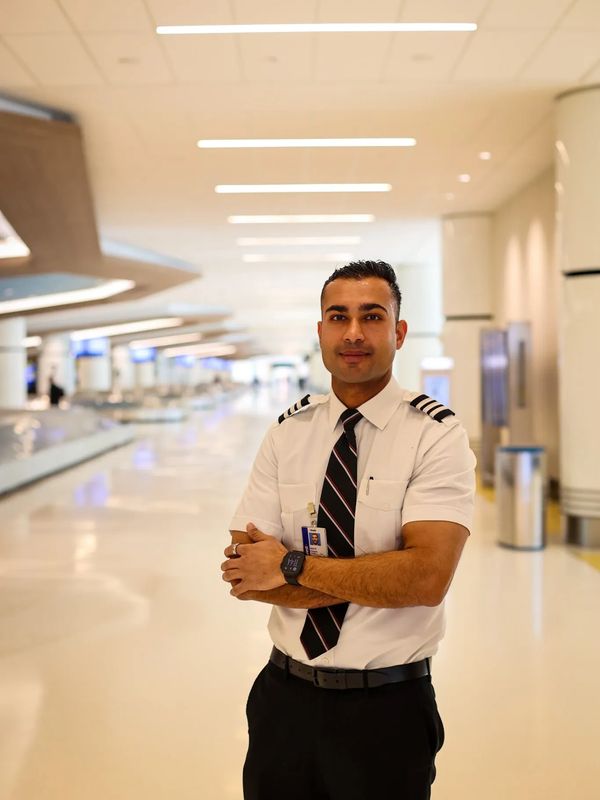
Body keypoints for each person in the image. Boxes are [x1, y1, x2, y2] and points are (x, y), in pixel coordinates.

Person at [221, 260, 476, 800]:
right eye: (338, 316)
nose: (354, 332)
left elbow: (425, 579)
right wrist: (377, 576)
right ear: (320, 331)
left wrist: (289, 565)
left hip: (387, 711)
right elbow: (246, 572)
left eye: (372, 316)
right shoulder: (288, 434)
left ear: (399, 332)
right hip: (282, 700)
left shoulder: (436, 437)